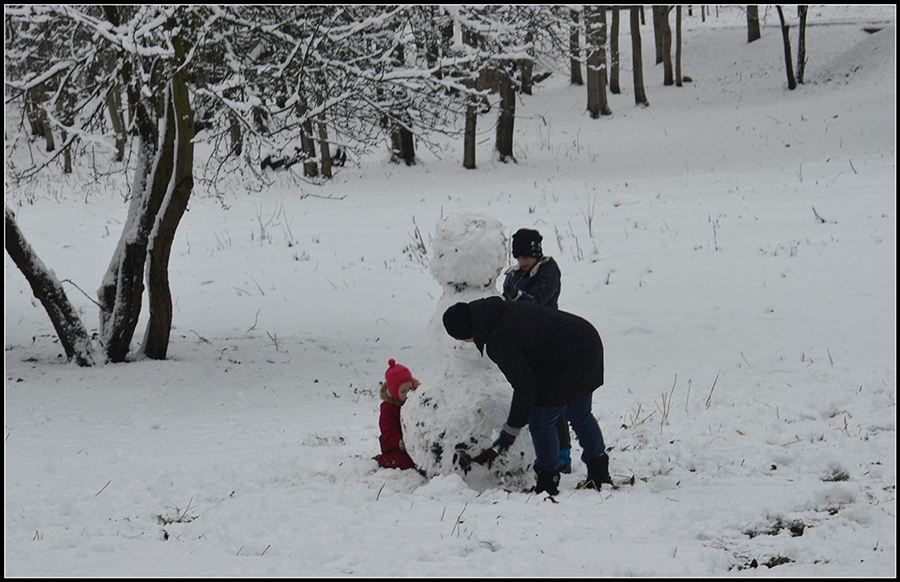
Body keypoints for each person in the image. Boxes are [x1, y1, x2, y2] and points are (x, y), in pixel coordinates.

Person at [442, 297, 612, 495]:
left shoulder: (499, 339)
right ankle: (599, 473)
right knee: (579, 414)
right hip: (586, 341)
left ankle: (548, 482)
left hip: (570, 357)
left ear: (466, 332)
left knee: (541, 421)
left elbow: (525, 386)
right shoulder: (500, 311)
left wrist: (511, 429)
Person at [501, 228, 572, 474]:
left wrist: (518, 297)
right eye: (518, 258)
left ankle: (562, 455)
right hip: (526, 343)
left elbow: (539, 298)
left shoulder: (548, 271)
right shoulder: (515, 275)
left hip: (549, 342)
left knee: (553, 401)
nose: (521, 262)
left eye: (525, 257)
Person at [374, 359, 420, 470]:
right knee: (406, 463)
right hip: (395, 445)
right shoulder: (388, 407)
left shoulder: (417, 400)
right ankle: (381, 460)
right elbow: (388, 429)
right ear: (394, 393)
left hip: (415, 443)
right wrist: (400, 442)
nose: (408, 393)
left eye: (410, 388)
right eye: (403, 391)